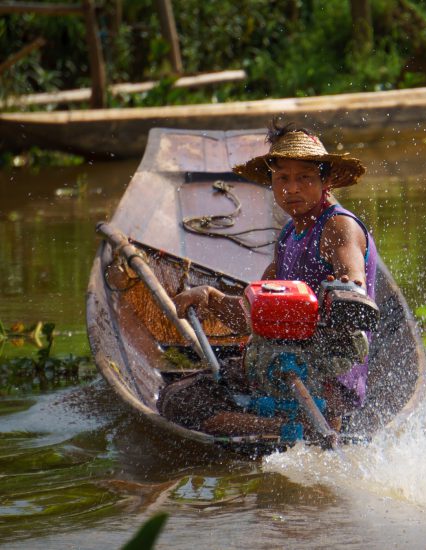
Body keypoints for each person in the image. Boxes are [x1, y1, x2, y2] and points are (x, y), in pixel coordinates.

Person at [158, 121, 378, 437]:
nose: (292, 189)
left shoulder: (338, 227)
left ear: (325, 180)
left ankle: (294, 428)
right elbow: (255, 313)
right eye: (283, 179)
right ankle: (283, 428)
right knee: (177, 399)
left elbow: (353, 283)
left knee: (180, 404)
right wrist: (210, 297)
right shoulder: (289, 235)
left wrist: (346, 288)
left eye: (304, 178)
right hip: (283, 367)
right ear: (272, 183)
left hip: (328, 379)